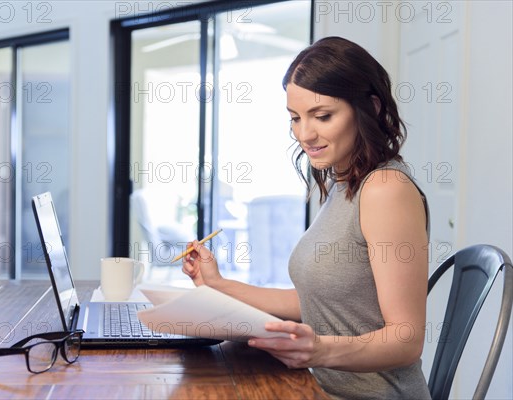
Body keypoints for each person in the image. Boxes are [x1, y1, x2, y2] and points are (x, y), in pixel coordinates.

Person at [182, 36, 431, 399]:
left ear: (371, 108)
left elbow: (406, 339)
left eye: (323, 116)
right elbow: (317, 301)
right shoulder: (345, 182)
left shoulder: (386, 189)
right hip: (319, 387)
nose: (304, 134)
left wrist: (319, 350)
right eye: (295, 118)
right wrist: (217, 284)